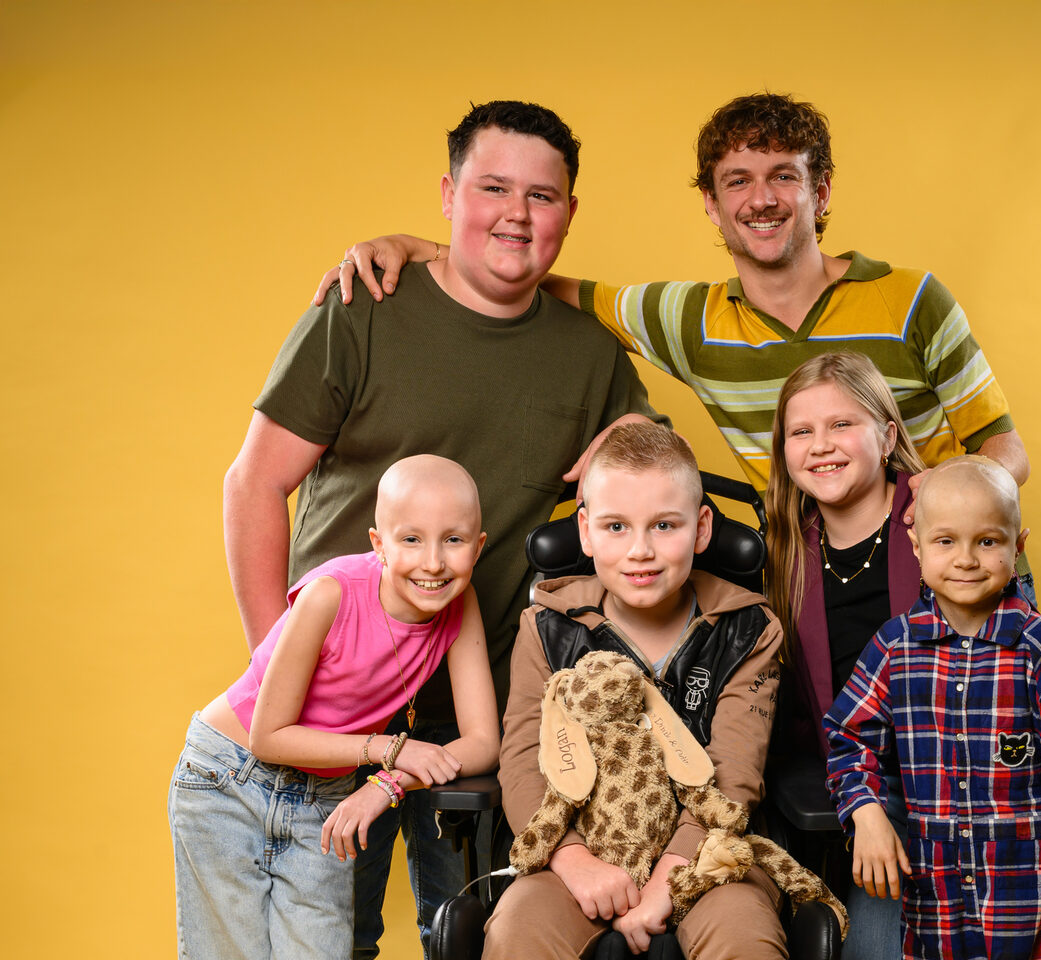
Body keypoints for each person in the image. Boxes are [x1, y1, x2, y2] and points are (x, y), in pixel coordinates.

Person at [224, 100, 665, 956]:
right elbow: (254, 484)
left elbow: (654, 482)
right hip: (332, 709)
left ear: (570, 213)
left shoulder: (589, 355)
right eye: (492, 188)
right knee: (325, 939)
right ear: (447, 195)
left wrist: (643, 434)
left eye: (542, 196)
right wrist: (279, 676)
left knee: (469, 935)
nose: (517, 214)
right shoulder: (363, 307)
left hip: (476, 720)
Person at [313, 91, 1027, 514]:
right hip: (816, 591)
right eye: (738, 181)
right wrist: (434, 250)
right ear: (712, 204)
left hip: (954, 577)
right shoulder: (690, 321)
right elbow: (536, 280)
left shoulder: (912, 298)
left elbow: (1005, 450)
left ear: (821, 191)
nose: (763, 199)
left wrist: (944, 510)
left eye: (784, 176)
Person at [764, 353, 1041, 960]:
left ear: (888, 436)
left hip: (982, 799)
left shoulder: (951, 520)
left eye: (842, 424)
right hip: (867, 795)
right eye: (800, 431)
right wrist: (859, 804)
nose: (821, 445)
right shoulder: (786, 543)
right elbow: (828, 722)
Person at [169, 455, 500, 960]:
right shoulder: (330, 594)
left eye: (453, 540)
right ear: (379, 544)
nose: (433, 562)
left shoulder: (461, 601)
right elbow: (268, 737)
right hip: (228, 778)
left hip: (324, 796)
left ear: (478, 546)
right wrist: (390, 749)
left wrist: (387, 784)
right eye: (412, 539)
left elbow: (483, 742)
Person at [489, 421, 786, 959]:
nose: (640, 550)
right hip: (579, 851)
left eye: (664, 526)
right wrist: (573, 861)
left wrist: (670, 878)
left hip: (710, 855)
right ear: (585, 531)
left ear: (701, 529)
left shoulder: (748, 628)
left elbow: (735, 771)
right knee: (518, 931)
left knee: (744, 936)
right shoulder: (547, 627)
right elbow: (523, 761)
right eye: (616, 527)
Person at [824, 456, 1041, 960]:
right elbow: (847, 738)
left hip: (1032, 910)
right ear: (916, 546)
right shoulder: (894, 647)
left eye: (987, 541)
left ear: (1018, 546)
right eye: (945, 541)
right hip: (935, 913)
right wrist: (865, 813)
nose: (966, 560)